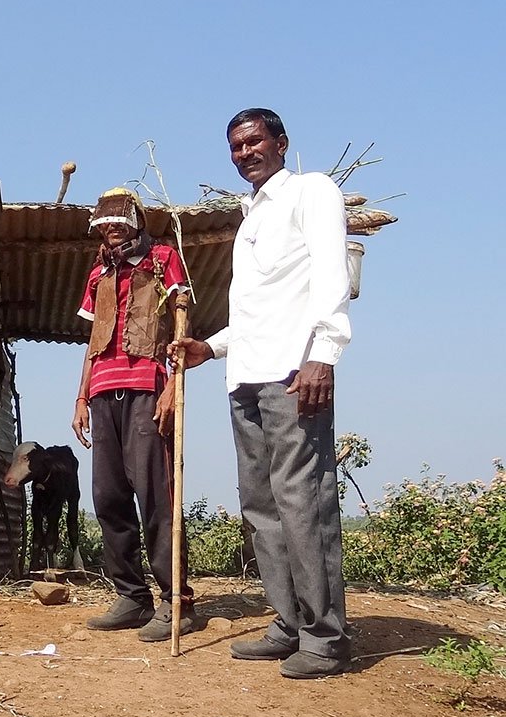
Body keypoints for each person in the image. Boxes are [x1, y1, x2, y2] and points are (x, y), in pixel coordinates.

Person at [175, 108, 353, 679]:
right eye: (235, 145)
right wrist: (212, 347)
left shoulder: (312, 191)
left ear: (281, 143)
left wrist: (323, 353)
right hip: (246, 377)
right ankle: (289, 623)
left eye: (254, 141)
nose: (245, 151)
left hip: (292, 375)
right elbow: (259, 309)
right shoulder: (251, 215)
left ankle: (325, 637)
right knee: (260, 506)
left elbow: (332, 274)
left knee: (303, 502)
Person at [73, 187, 194, 641]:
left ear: (137, 222)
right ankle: (131, 596)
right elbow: (90, 344)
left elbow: (182, 328)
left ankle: (177, 600)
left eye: (120, 221)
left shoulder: (162, 260)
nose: (112, 228)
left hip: (147, 387)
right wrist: (80, 397)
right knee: (108, 497)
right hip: (103, 392)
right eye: (104, 223)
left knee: (156, 499)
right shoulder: (98, 274)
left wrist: (172, 390)